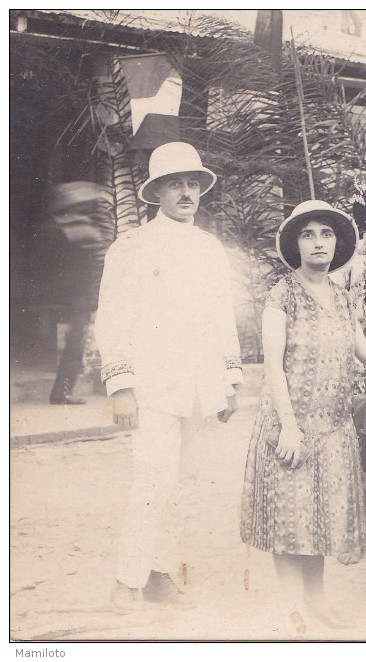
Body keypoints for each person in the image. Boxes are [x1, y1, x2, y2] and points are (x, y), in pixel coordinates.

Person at [239, 200, 366, 630]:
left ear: (336, 243)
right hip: (292, 425)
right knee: (290, 517)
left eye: (326, 234)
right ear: (296, 244)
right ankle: (291, 607)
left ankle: (317, 600)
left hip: (333, 426)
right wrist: (288, 426)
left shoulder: (341, 295)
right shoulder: (281, 295)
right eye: (308, 234)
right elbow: (273, 367)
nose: (318, 243)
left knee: (318, 517)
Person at [95, 142, 243, 610]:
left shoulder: (209, 248)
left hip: (200, 386)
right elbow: (113, 318)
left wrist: (230, 379)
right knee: (152, 478)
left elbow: (223, 316)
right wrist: (121, 386)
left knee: (183, 482)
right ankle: (126, 581)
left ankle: (159, 574)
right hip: (154, 385)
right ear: (156, 191)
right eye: (175, 183)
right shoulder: (132, 247)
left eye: (193, 183)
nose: (185, 192)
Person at [47, 182, 113, 405]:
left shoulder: (66, 227)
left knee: (75, 343)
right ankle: (61, 393)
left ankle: (62, 392)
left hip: (75, 295)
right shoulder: (77, 229)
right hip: (77, 296)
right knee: (76, 344)